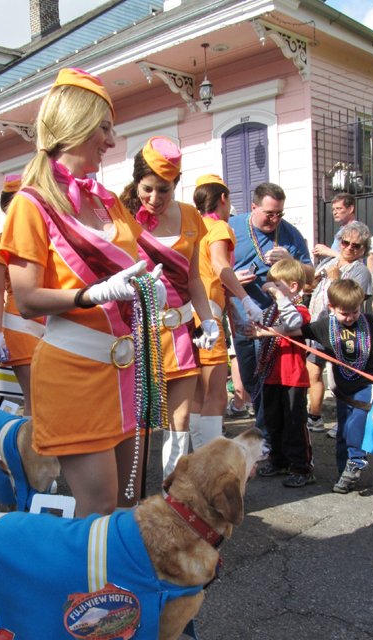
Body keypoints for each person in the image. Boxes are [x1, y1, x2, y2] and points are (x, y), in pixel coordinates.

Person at [0, 68, 164, 518]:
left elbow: (136, 264)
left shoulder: (108, 200)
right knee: (99, 509)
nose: (112, 139)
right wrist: (92, 294)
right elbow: (27, 298)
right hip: (73, 371)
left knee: (129, 506)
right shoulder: (30, 204)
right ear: (75, 125)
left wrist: (150, 286)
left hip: (128, 369)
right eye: (104, 127)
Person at [120, 138, 219, 478]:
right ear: (137, 183)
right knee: (141, 421)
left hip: (180, 331)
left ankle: (171, 492)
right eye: (147, 189)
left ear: (176, 183)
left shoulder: (191, 215)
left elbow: (194, 279)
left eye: (164, 190)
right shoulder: (122, 217)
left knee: (180, 419)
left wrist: (209, 320)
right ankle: (130, 495)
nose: (154, 198)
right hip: (137, 332)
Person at [228, 182, 312, 454]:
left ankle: (266, 439)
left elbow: (310, 275)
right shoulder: (231, 227)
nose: (275, 220)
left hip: (275, 321)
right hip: (241, 317)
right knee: (251, 381)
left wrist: (291, 260)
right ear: (253, 207)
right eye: (269, 214)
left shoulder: (290, 234)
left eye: (279, 214)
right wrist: (233, 279)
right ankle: (269, 434)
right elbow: (211, 265)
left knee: (266, 382)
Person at [301, 279, 373, 493]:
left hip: (368, 382)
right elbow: (296, 332)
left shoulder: (368, 321)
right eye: (344, 313)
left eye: (355, 312)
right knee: (344, 429)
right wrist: (263, 332)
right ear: (331, 307)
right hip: (342, 387)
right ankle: (345, 475)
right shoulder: (324, 326)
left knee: (358, 419)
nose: (350, 318)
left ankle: (356, 460)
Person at [189, 174, 262, 448]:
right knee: (216, 396)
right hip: (207, 315)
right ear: (223, 198)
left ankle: (199, 456)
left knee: (198, 394)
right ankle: (211, 461)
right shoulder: (219, 226)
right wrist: (246, 299)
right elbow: (220, 264)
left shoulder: (193, 226)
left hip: (189, 314)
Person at [247, 259, 314, 487]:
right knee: (274, 421)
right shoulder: (272, 311)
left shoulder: (299, 309)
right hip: (272, 375)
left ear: (293, 286)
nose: (271, 290)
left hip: (293, 376)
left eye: (277, 285)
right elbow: (261, 323)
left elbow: (293, 326)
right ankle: (279, 460)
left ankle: (302, 468)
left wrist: (263, 332)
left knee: (295, 423)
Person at [306, 221, 373, 434]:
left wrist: (336, 280)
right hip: (319, 324)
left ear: (364, 249)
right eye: (345, 242)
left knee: (341, 378)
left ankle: (345, 422)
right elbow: (310, 289)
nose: (350, 248)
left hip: (344, 330)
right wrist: (310, 285)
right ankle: (314, 417)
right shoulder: (329, 262)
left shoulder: (360, 271)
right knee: (313, 371)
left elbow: (352, 302)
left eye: (356, 245)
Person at [0, 176, 43, 417]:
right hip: (19, 323)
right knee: (34, 397)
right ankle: (29, 443)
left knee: (51, 395)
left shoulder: (44, 236)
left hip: (49, 319)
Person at [312, 192, 356, 261]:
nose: (335, 212)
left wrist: (327, 251)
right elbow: (338, 255)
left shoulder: (356, 230)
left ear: (351, 209)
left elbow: (353, 259)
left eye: (339, 208)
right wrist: (322, 252)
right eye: (333, 209)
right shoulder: (342, 230)